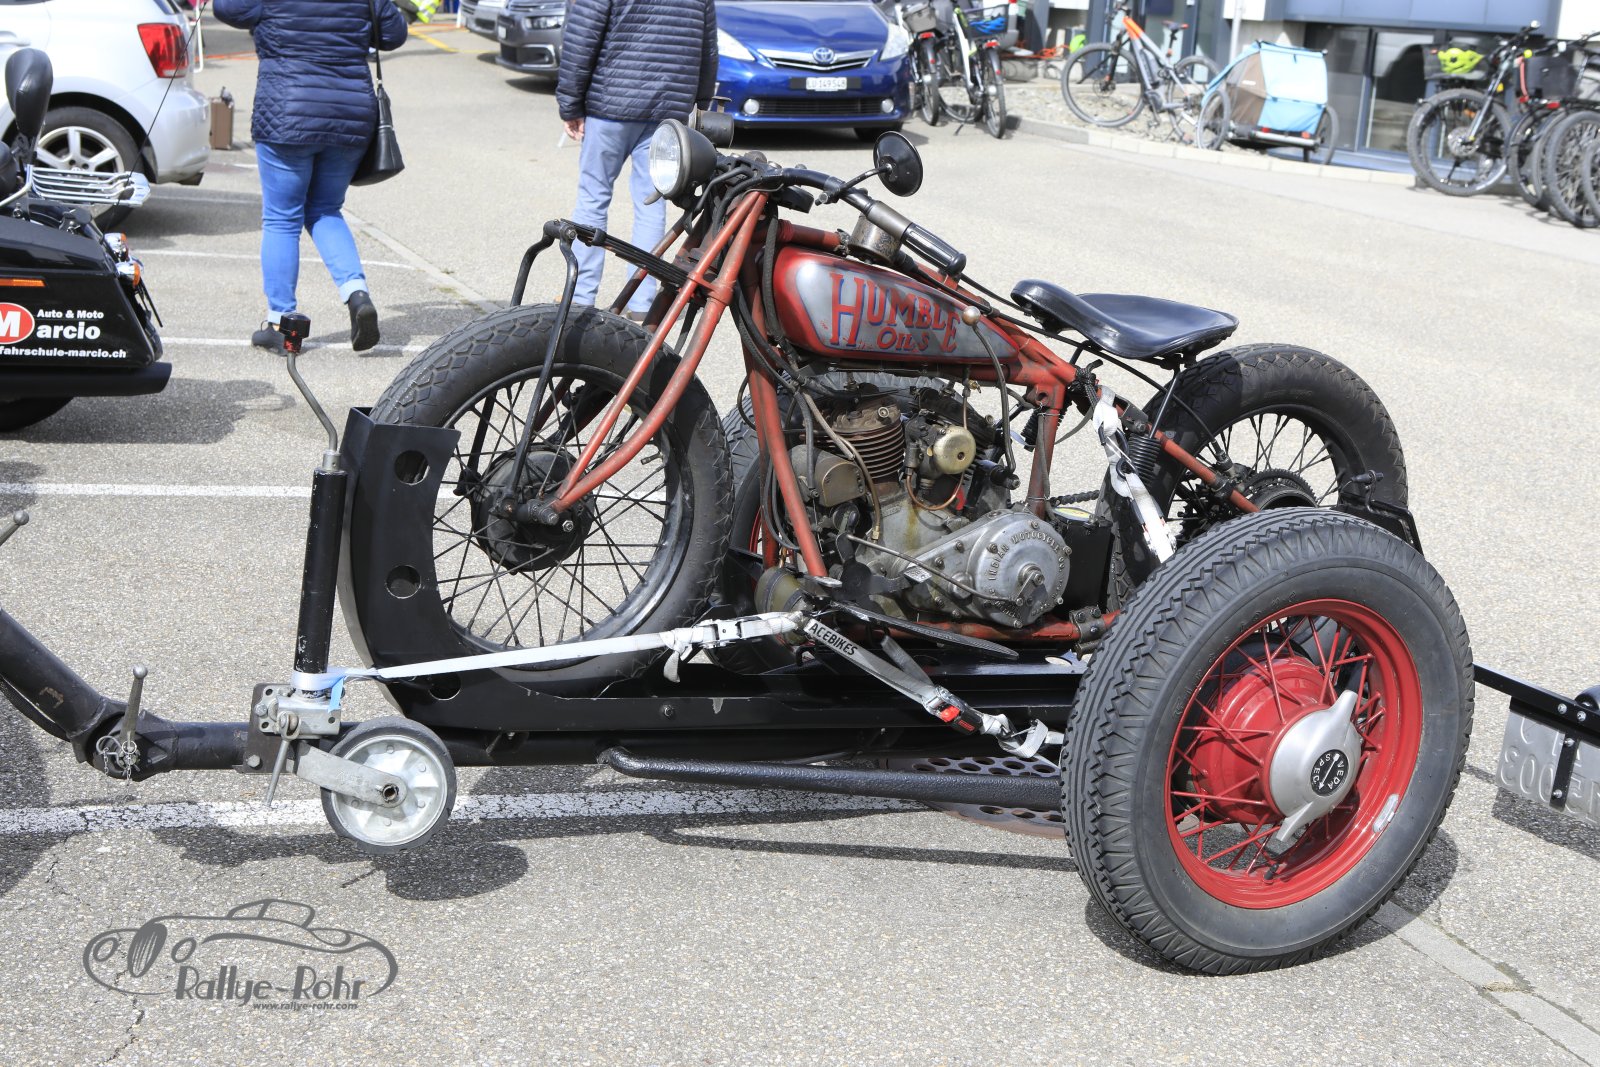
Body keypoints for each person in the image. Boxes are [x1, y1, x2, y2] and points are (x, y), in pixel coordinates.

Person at [214, 0, 408, 352]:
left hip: (287, 113)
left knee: (282, 219)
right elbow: (394, 34)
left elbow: (226, 9)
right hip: (349, 114)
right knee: (325, 209)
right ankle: (357, 294)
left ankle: (281, 323)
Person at [557, 0, 717, 320]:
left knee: (593, 197)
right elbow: (708, 49)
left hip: (611, 103)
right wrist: (699, 101)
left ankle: (581, 298)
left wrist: (570, 104)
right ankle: (642, 303)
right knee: (651, 204)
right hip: (668, 108)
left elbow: (582, 37)